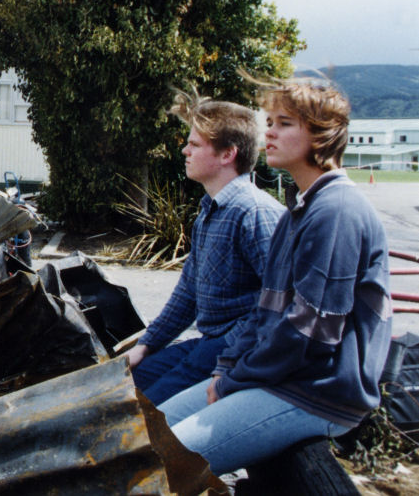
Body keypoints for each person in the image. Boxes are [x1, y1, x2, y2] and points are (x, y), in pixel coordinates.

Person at [158, 79, 392, 475]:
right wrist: (225, 369)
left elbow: (308, 334)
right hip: (282, 379)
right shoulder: (299, 210)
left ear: (322, 135)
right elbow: (264, 313)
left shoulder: (337, 211)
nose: (268, 131)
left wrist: (234, 381)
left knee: (158, 464)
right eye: (270, 121)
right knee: (143, 432)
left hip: (317, 393)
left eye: (285, 123)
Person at [126, 92, 285, 405]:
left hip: (235, 348)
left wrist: (229, 358)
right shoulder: (210, 210)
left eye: (195, 144)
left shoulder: (254, 212)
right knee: (123, 388)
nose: (185, 150)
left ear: (227, 154)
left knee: (144, 414)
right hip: (209, 342)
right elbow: (188, 293)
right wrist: (146, 345)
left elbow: (279, 302)